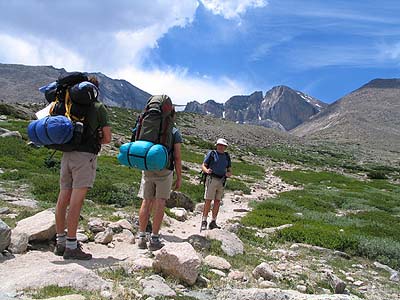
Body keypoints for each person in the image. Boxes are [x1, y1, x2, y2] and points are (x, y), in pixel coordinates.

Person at [54, 76, 112, 260]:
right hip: (85, 157)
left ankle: (60, 242)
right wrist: (96, 138)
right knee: (76, 201)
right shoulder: (98, 107)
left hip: (67, 154)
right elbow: (108, 138)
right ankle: (72, 246)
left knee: (63, 198)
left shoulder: (68, 103)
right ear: (95, 90)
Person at [137, 110, 182, 251]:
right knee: (160, 201)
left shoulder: (149, 126)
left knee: (146, 200)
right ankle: (155, 238)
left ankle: (141, 237)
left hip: (148, 167)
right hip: (165, 169)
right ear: (173, 116)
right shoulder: (174, 131)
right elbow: (177, 156)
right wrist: (179, 177)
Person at [201, 138, 232, 231]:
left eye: (222, 145)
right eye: (219, 145)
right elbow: (203, 165)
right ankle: (204, 220)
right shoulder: (212, 154)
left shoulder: (227, 156)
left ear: (225, 147)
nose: (220, 147)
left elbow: (229, 169)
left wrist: (229, 174)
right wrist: (207, 171)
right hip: (211, 178)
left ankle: (213, 221)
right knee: (208, 200)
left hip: (221, 180)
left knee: (217, 201)